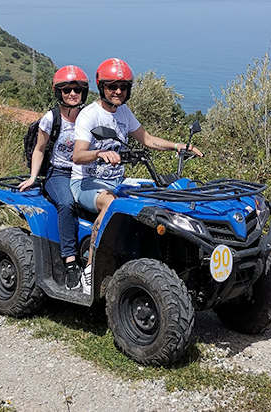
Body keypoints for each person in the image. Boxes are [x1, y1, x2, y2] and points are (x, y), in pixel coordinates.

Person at [71, 58, 204, 295]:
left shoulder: (123, 112)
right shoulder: (89, 116)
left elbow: (147, 139)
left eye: (123, 87)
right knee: (111, 203)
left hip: (116, 182)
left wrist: (178, 146)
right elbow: (78, 155)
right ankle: (90, 270)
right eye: (112, 86)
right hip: (85, 183)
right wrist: (100, 153)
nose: (118, 91)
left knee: (162, 193)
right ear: (101, 87)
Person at [18, 65, 89, 290]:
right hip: (58, 172)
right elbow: (39, 149)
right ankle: (70, 262)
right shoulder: (51, 118)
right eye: (66, 90)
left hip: (84, 171)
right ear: (59, 92)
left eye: (77, 90)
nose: (72, 94)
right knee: (67, 203)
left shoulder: (87, 117)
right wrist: (33, 177)